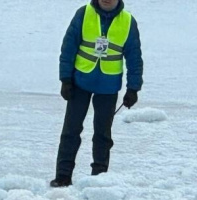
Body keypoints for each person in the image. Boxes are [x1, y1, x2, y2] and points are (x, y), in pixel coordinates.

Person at [51, 0, 143, 187]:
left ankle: (99, 177)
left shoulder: (128, 21)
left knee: (103, 134)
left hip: (108, 86)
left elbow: (134, 57)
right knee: (71, 130)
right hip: (80, 82)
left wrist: (133, 88)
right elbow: (68, 48)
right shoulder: (83, 14)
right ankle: (63, 175)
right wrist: (65, 79)